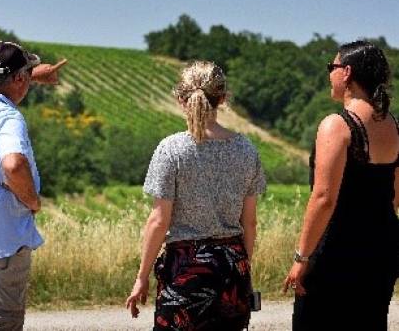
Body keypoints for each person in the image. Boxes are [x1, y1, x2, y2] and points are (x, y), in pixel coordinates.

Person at [126, 61, 265, 330]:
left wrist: (141, 277)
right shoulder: (247, 150)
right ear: (222, 99)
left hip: (185, 271)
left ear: (181, 99)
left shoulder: (171, 150)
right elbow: (250, 223)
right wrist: (241, 269)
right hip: (232, 266)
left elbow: (159, 221)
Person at [283, 41, 399, 331]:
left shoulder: (337, 125)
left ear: (346, 72)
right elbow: (396, 195)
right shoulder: (393, 126)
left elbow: (323, 198)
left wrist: (302, 257)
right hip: (383, 248)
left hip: (338, 252)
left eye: (331, 67)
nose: (329, 75)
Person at [0, 41, 66, 330]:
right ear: (19, 79)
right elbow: (13, 165)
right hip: (0, 241)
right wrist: (32, 200)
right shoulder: (6, 117)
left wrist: (33, 74)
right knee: (0, 323)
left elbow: (3, 79)